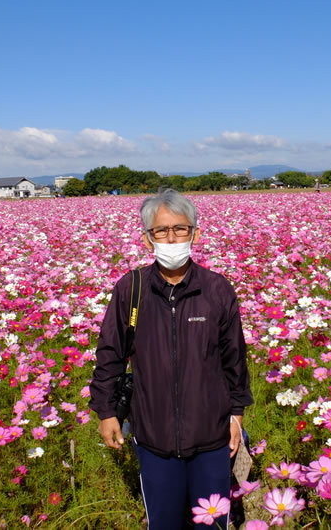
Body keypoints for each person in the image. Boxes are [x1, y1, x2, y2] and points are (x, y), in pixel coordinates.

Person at [89, 189, 253, 529]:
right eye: (161, 231)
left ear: (195, 233)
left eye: (180, 229)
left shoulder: (216, 289)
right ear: (148, 239)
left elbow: (234, 358)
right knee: (163, 524)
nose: (171, 237)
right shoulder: (131, 289)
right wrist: (106, 412)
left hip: (211, 437)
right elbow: (110, 354)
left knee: (211, 525)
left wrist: (236, 416)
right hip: (154, 439)